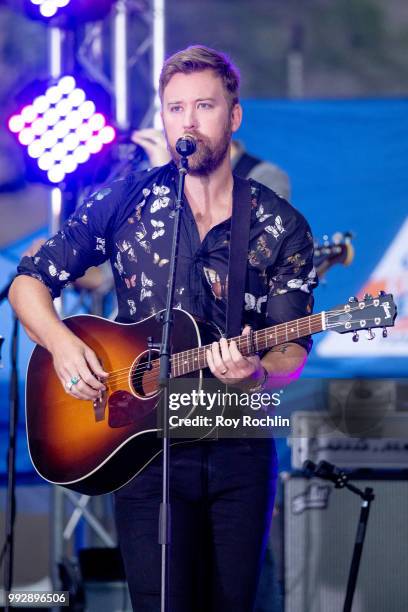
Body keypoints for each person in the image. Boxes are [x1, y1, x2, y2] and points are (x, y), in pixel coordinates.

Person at [9, 45, 316, 611]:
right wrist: (62, 344)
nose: (189, 122)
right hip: (143, 446)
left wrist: (255, 372)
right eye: (175, 109)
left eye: (204, 106)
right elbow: (29, 280)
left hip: (237, 447)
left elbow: (293, 345)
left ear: (234, 115)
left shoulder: (278, 223)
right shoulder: (127, 199)